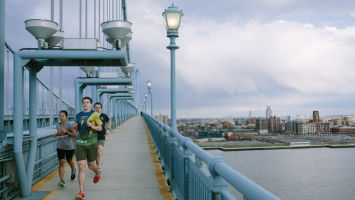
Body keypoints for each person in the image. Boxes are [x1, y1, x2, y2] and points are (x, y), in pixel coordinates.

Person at [72, 97, 102, 200]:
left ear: (90, 104)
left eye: (87, 102)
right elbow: (76, 127)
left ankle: (97, 172)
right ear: (82, 104)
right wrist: (74, 126)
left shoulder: (95, 115)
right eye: (84, 102)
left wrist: (92, 127)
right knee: (81, 166)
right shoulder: (79, 115)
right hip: (80, 143)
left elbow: (100, 128)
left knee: (91, 165)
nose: (85, 104)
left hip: (92, 143)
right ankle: (81, 192)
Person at [53, 110, 76, 187]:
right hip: (60, 146)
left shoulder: (69, 125)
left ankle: (73, 169)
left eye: (63, 116)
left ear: (66, 117)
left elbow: (74, 134)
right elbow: (60, 133)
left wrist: (67, 132)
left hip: (69, 147)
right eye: (60, 116)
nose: (61, 117)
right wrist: (56, 134)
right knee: (61, 163)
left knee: (69, 161)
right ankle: (62, 180)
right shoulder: (58, 125)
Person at [94, 102, 111, 171]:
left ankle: (99, 168)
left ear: (101, 108)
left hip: (101, 135)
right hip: (92, 136)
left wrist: (108, 129)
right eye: (96, 108)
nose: (98, 109)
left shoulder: (104, 115)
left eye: (99, 108)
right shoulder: (91, 115)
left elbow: (109, 120)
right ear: (94, 108)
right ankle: (97, 163)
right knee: (95, 153)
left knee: (100, 151)